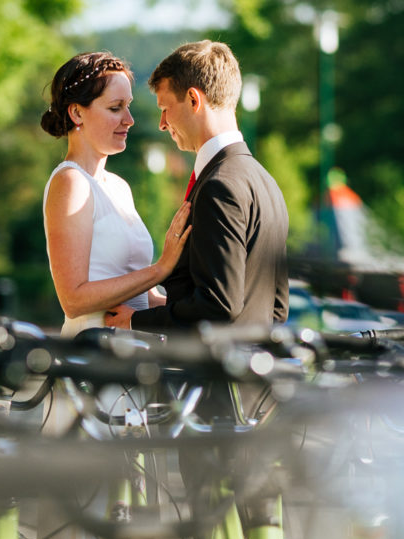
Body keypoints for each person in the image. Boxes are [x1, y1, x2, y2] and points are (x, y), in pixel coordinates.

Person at [104, 41, 289, 332]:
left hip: (215, 374)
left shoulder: (219, 186)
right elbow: (276, 309)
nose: (162, 124)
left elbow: (218, 306)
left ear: (193, 99)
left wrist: (136, 321)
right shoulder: (266, 182)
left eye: (165, 108)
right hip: (258, 370)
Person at [41, 51, 192, 337]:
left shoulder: (120, 187)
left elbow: (140, 298)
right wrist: (159, 270)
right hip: (92, 361)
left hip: (134, 355)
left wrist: (205, 307)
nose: (130, 119)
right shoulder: (71, 181)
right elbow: (73, 300)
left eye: (129, 106)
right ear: (77, 113)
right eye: (115, 108)